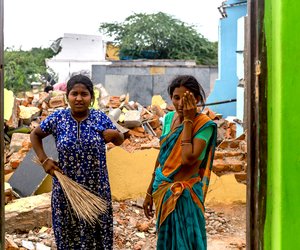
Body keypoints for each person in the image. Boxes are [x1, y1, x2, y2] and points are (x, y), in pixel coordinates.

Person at [30, 74, 124, 249]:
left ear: (91, 98)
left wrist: (116, 135)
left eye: (84, 94)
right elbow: (35, 134)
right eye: (74, 94)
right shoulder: (58, 118)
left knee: (97, 238)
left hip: (96, 190)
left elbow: (120, 139)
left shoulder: (99, 118)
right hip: (66, 192)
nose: (79, 98)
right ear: (67, 97)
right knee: (68, 237)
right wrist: (44, 161)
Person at [143, 75, 217, 249]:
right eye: (176, 98)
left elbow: (187, 158)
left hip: (185, 195)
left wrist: (189, 121)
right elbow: (162, 156)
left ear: (196, 99)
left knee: (187, 243)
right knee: (167, 241)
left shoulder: (204, 125)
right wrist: (148, 191)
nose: (180, 103)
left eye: (186, 98)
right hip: (162, 190)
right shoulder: (169, 119)